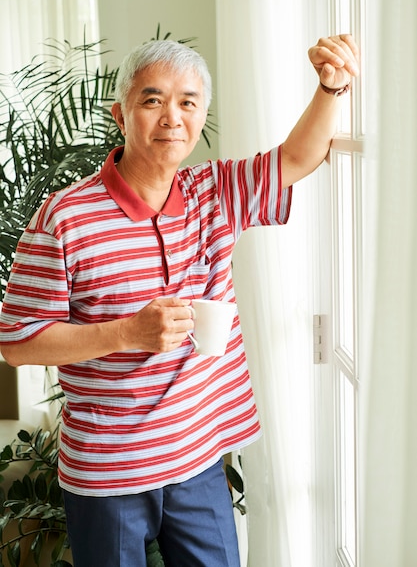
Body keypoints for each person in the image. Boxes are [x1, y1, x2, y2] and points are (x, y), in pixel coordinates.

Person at [0, 35, 359, 566]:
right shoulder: (64, 218)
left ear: (202, 116)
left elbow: (299, 157)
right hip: (108, 471)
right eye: (153, 100)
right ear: (121, 115)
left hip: (198, 458)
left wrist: (332, 87)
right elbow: (19, 344)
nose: (172, 116)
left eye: (188, 102)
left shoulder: (214, 193)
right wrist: (126, 332)